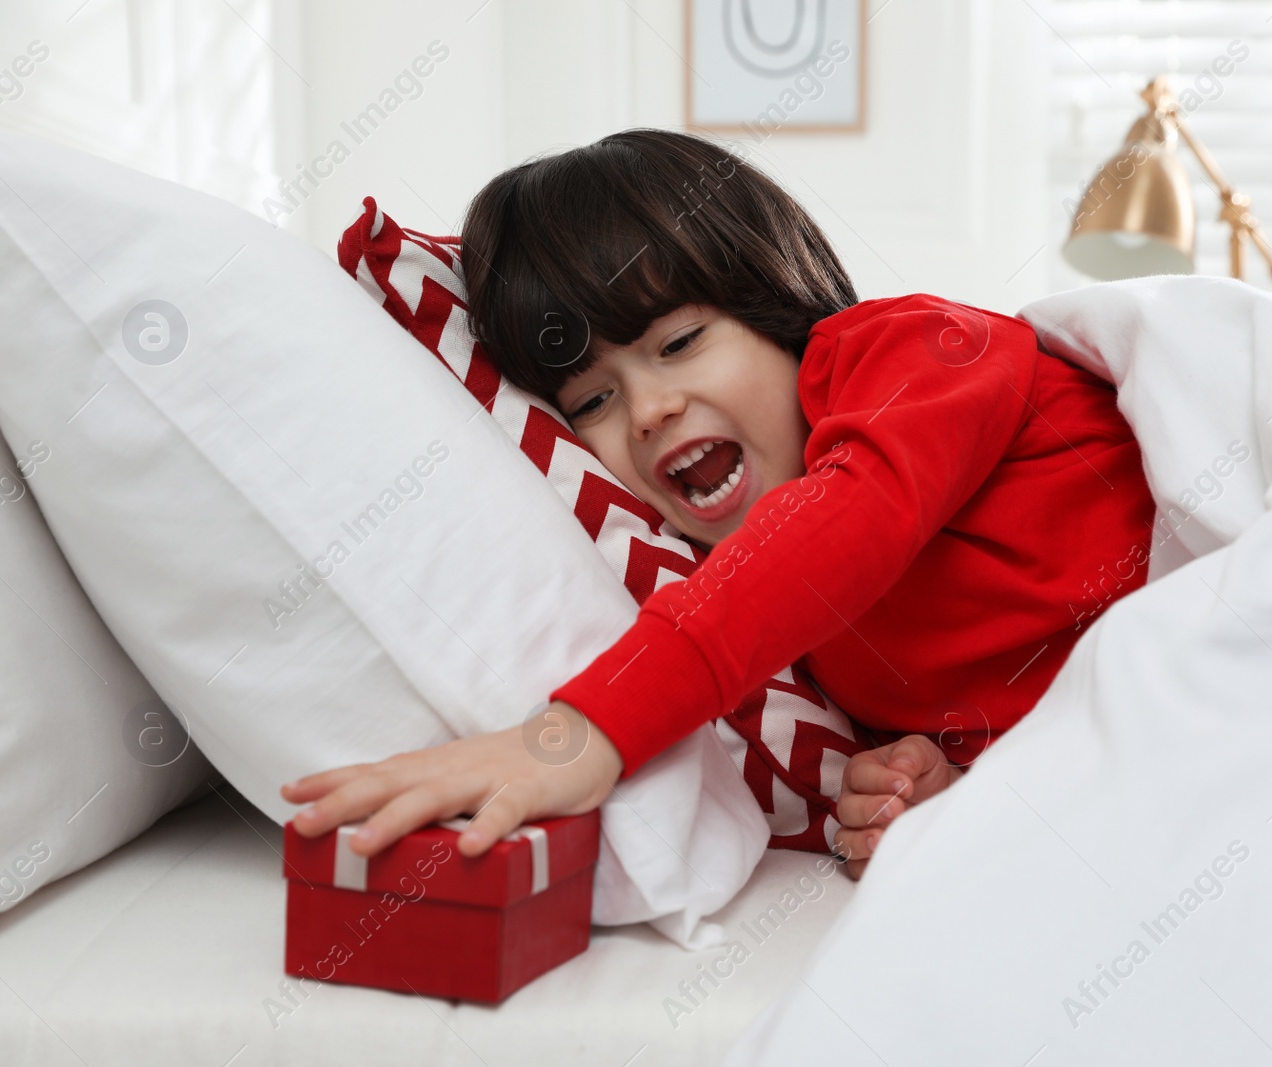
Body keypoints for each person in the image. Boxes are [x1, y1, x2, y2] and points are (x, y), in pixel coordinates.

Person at [282, 130, 1154, 880]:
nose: (650, 408)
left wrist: (584, 731)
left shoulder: (914, 352)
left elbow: (848, 522)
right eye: (591, 402)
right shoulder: (804, 650)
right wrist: (936, 783)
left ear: (773, 307)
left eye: (681, 341)